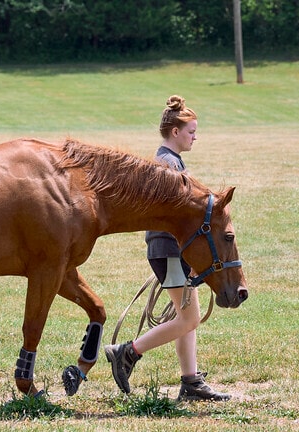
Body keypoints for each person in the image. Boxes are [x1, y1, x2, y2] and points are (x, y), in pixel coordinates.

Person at [104, 95, 230, 401]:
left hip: (172, 251)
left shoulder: (170, 161)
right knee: (189, 318)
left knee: (188, 317)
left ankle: (191, 381)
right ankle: (127, 352)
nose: (195, 137)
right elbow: (176, 218)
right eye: (191, 131)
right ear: (175, 132)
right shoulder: (167, 164)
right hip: (171, 250)